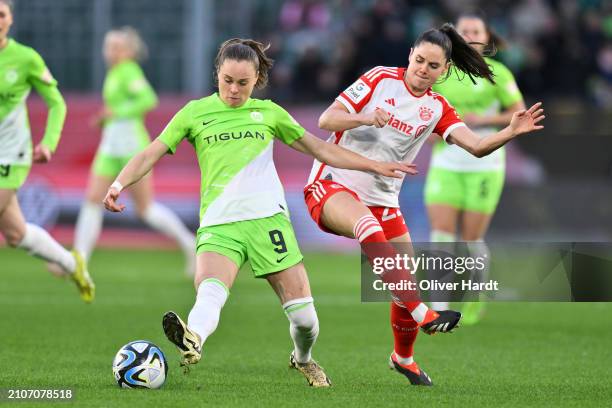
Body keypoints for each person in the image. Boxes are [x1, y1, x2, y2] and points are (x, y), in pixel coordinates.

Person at [103, 38, 414, 387]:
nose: (233, 90)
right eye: (227, 80)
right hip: (220, 223)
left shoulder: (270, 114)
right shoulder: (194, 112)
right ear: (217, 75)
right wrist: (118, 184)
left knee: (305, 320)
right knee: (210, 291)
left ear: (257, 81)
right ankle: (194, 340)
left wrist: (374, 165)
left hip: (269, 223)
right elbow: (150, 153)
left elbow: (322, 150)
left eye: (243, 83)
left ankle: (303, 358)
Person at [306, 23, 544, 385]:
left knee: (405, 278)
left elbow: (476, 147)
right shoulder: (378, 79)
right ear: (410, 56)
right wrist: (365, 116)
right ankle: (424, 313)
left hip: (383, 200)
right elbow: (327, 119)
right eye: (419, 60)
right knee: (369, 232)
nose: (423, 69)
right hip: (332, 184)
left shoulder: (437, 107)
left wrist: (510, 131)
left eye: (433, 66)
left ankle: (403, 358)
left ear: (444, 70)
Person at [69, 27, 196, 275]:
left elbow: (148, 100)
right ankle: (79, 260)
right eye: (109, 47)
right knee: (92, 200)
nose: (110, 52)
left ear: (129, 51)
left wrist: (116, 113)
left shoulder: (129, 71)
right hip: (110, 144)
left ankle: (189, 243)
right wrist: (106, 119)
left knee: (145, 209)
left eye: (116, 47)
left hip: (131, 146)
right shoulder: (115, 72)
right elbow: (121, 106)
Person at [425, 14, 526, 324]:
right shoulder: (441, 72)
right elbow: (425, 107)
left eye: (475, 31)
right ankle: (438, 306)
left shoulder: (498, 73)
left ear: (486, 37)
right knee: (441, 235)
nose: (468, 35)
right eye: (463, 30)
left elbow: (519, 113)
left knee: (471, 240)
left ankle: (475, 297)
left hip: (485, 165)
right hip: (446, 162)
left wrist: (481, 121)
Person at [0, 0, 93, 301]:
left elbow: (56, 102)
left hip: (11, 155)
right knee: (15, 234)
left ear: (11, 19)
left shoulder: (25, 58)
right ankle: (71, 264)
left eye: (1, 14)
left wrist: (49, 142)